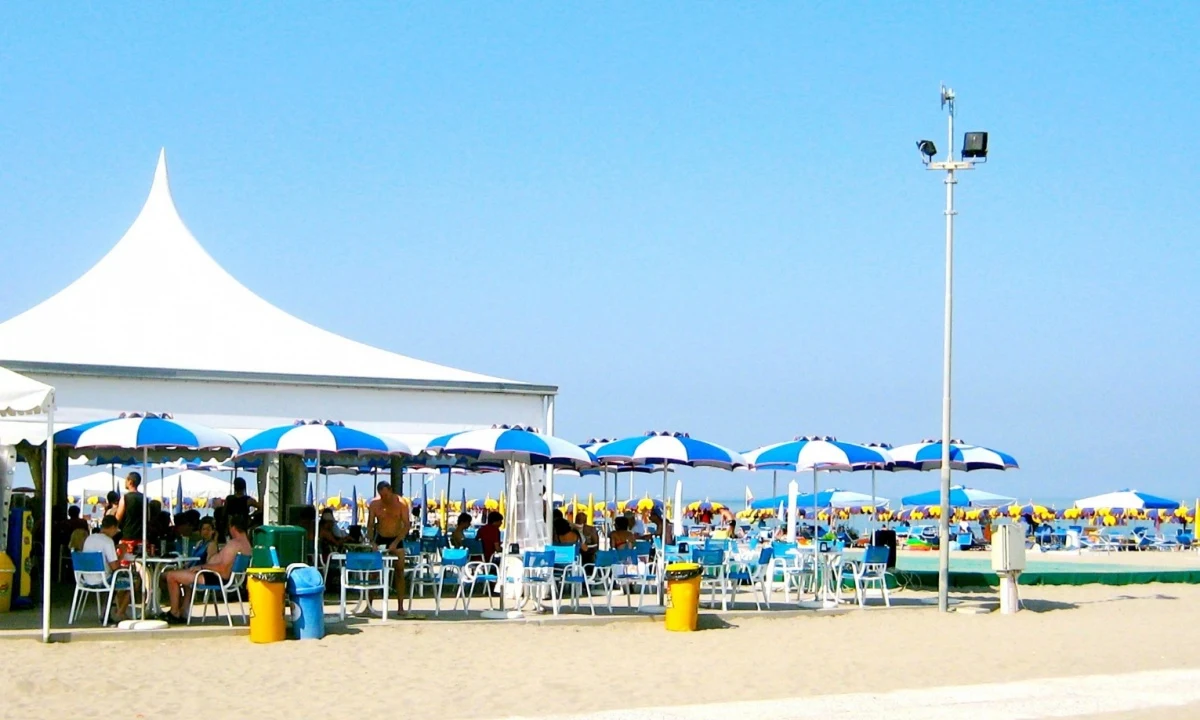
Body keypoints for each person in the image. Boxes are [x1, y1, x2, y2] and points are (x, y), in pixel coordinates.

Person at [162, 514, 252, 625]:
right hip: (219, 576)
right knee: (184, 575)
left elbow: (222, 569)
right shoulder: (246, 545)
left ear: (233, 527)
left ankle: (174, 612)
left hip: (216, 577)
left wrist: (201, 567)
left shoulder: (234, 544)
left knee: (171, 575)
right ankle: (183, 611)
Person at [366, 481, 412, 612]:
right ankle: (369, 605)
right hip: (380, 537)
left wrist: (396, 542)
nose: (384, 498)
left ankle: (400, 607)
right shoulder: (375, 504)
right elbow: (370, 525)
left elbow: (407, 525)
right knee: (374, 572)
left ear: (390, 491)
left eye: (386, 495)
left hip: (396, 538)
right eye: (382, 496)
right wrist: (372, 542)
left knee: (399, 570)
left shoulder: (401, 503)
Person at [82, 515, 132, 622]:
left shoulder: (89, 538)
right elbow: (115, 567)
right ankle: (120, 612)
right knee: (133, 580)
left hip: (86, 578)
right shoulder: (108, 541)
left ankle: (111, 611)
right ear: (113, 527)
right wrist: (122, 554)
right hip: (103, 579)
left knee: (120, 578)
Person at [115, 472, 144, 546]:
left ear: (130, 482)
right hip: (142, 536)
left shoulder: (125, 498)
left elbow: (118, 517)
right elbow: (148, 517)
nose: (125, 482)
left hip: (127, 536)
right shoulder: (144, 498)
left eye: (126, 480)